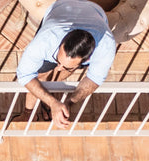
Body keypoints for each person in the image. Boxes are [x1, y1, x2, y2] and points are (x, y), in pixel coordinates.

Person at [16, 0, 116, 129]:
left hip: (94, 13)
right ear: (62, 42)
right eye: (58, 61)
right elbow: (25, 75)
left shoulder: (105, 46)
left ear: (88, 59)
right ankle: (29, 114)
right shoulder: (46, 39)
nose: (58, 68)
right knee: (39, 77)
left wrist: (69, 102)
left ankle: (47, 97)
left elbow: (94, 79)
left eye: (67, 66)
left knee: (45, 80)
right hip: (61, 8)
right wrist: (53, 103)